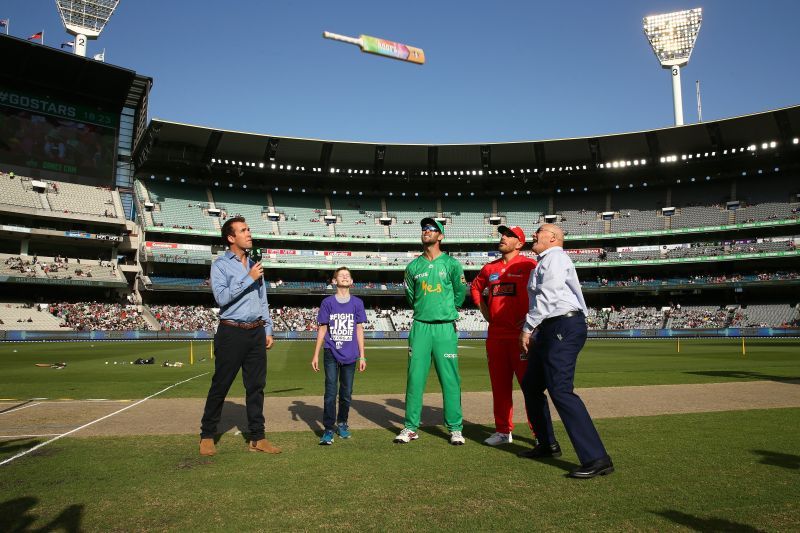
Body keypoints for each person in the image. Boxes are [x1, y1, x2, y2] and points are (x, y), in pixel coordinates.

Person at [517, 224, 613, 478]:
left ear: (553, 238)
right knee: (531, 384)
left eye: (539, 231)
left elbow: (549, 297)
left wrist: (527, 328)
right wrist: (535, 327)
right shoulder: (545, 260)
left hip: (563, 325)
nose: (534, 235)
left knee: (560, 389)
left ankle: (597, 458)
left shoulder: (556, 257)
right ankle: (547, 444)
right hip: (550, 327)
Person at [199, 216, 280, 456]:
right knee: (221, 384)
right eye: (243, 230)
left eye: (249, 229)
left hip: (256, 331)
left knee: (256, 387)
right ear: (231, 238)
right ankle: (207, 435)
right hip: (231, 331)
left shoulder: (255, 264)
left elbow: (262, 301)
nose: (249, 233)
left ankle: (258, 437)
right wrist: (249, 278)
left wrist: (267, 329)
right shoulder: (221, 265)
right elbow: (221, 298)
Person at [395, 217, 468, 445]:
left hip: (445, 328)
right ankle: (410, 427)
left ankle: (455, 428)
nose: (426, 231)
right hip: (420, 327)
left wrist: (447, 311)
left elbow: (460, 293)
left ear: (441, 236)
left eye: (431, 229)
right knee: (415, 378)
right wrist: (426, 310)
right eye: (424, 229)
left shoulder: (452, 264)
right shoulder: (413, 267)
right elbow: (411, 297)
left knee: (450, 380)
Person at [470, 225, 537, 446]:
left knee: (530, 387)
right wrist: (485, 311)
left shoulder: (529, 265)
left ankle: (539, 434)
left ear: (520, 243)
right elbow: (475, 288)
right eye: (502, 234)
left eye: (509, 235)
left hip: (522, 337)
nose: (503, 237)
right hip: (496, 337)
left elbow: (544, 291)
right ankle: (502, 431)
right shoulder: (490, 268)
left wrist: (532, 318)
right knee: (500, 387)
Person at [311, 266, 368, 445]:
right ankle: (328, 429)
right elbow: (322, 329)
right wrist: (315, 354)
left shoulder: (357, 303)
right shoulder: (327, 302)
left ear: (351, 282)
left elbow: (359, 329)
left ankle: (342, 423)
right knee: (330, 392)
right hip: (330, 352)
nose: (344, 277)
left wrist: (362, 355)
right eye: (341, 275)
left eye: (347, 275)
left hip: (351, 354)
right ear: (334, 281)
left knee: (346, 393)